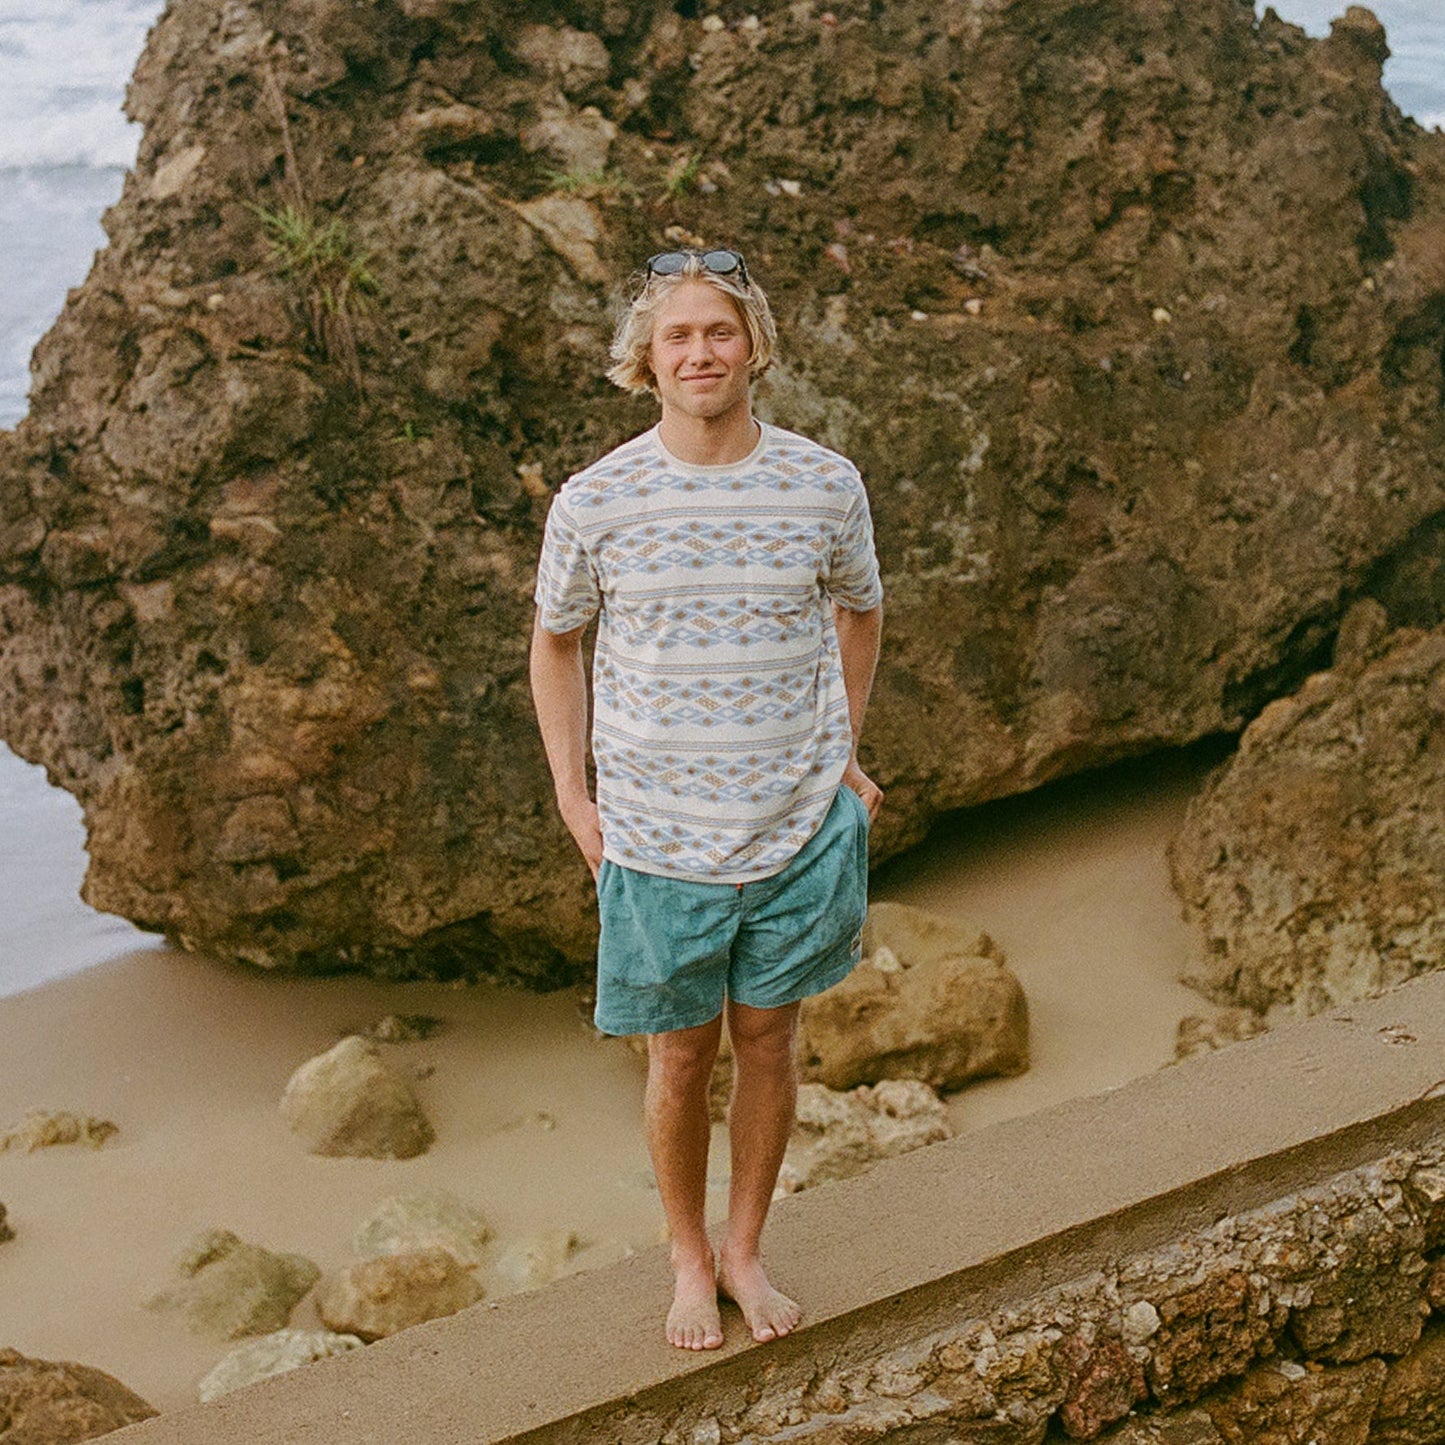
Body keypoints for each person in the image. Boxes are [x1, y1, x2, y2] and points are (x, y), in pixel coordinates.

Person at [529, 248, 883, 1351]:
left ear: (754, 348)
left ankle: (744, 1248)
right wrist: (571, 794)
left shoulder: (824, 483)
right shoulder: (596, 499)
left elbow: (860, 611)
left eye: (717, 332)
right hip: (655, 835)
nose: (698, 352)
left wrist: (843, 755)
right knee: (677, 1056)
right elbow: (555, 644)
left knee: (768, 1044)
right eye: (676, 335)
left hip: (792, 828)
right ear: (646, 357)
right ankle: (688, 1262)